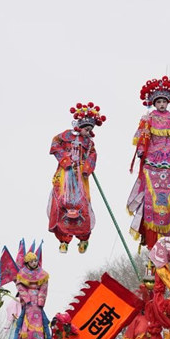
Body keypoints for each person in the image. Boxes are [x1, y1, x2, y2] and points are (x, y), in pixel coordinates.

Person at [127, 76, 170, 250]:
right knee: (150, 198)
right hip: (152, 163)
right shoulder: (148, 119)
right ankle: (147, 232)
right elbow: (142, 138)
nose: (162, 104)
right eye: (159, 102)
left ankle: (165, 235)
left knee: (168, 199)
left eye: (164, 101)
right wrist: (141, 150)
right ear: (153, 103)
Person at [47, 102, 105, 254]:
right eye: (86, 129)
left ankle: (83, 238)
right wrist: (65, 160)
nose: (88, 132)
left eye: (90, 130)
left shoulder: (89, 143)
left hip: (80, 177)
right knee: (61, 203)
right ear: (79, 126)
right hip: (65, 175)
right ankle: (63, 239)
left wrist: (87, 168)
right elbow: (55, 144)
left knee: (82, 205)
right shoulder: (65, 135)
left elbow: (93, 155)